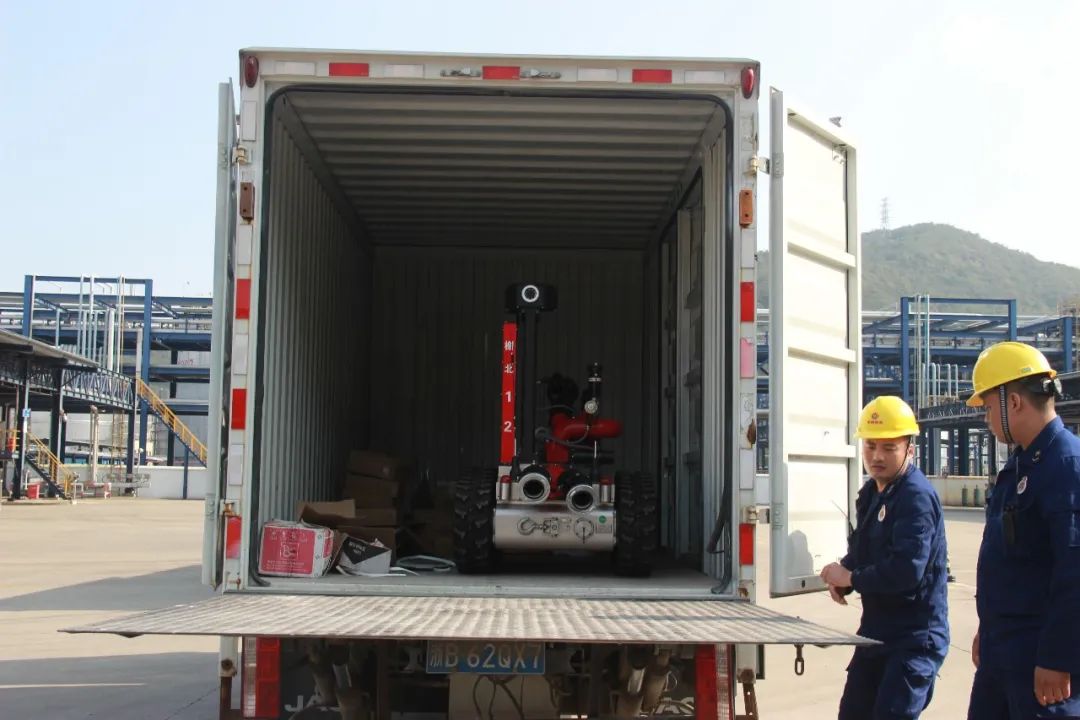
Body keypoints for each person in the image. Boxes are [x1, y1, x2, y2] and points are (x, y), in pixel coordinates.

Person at [965, 341, 1080, 718]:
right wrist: (987, 629)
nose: (986, 419)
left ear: (1012, 402)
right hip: (1002, 652)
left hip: (1040, 662)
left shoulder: (1066, 466)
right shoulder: (1020, 466)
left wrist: (1058, 658)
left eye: (987, 407)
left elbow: (1074, 574)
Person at [820, 395, 949, 720]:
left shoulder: (915, 498)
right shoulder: (872, 493)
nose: (877, 456)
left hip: (913, 639)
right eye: (870, 446)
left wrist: (852, 578)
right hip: (876, 632)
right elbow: (864, 552)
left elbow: (907, 571)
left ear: (909, 449)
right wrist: (844, 574)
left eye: (889, 448)